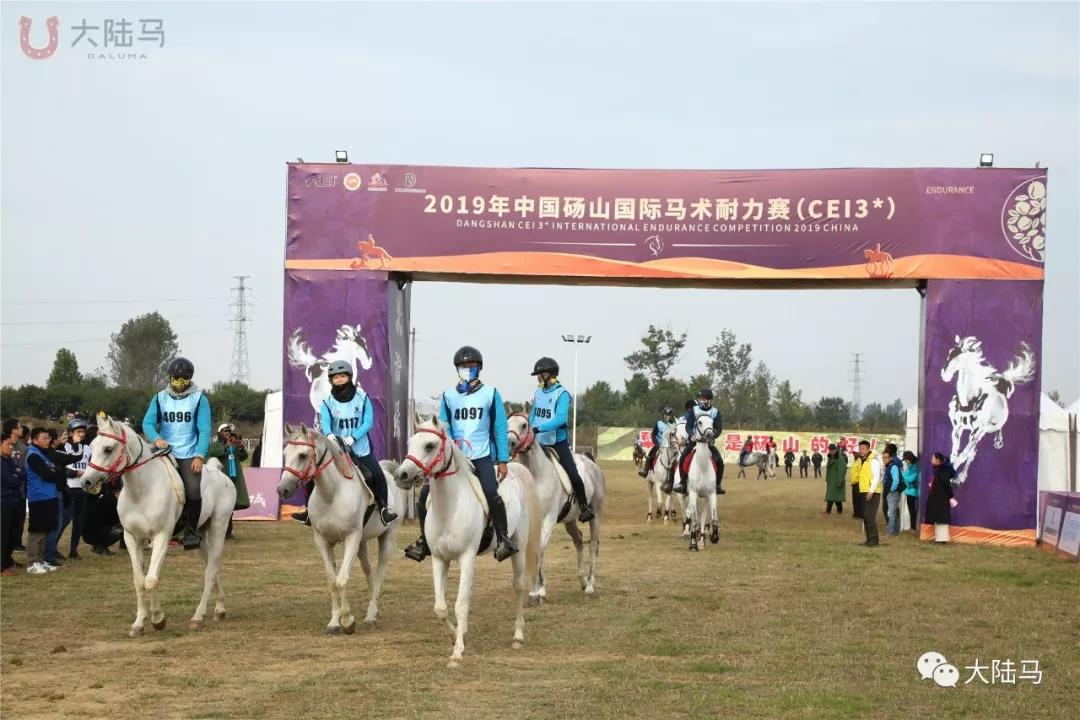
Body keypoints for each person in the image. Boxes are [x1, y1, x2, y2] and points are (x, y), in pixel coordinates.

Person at [404, 346, 515, 562]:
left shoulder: (490, 394)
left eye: (471, 366)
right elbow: (444, 428)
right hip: (454, 459)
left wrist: (502, 459)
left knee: (491, 492)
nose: (467, 369)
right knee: (425, 496)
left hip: (481, 455)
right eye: (463, 366)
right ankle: (425, 542)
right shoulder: (448, 396)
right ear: (457, 369)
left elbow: (500, 428)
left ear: (479, 368)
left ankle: (503, 539)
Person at [142, 357, 212, 550]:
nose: (180, 383)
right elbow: (147, 423)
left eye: (184, 379)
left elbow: (204, 429)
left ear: (189, 378)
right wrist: (156, 438)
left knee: (193, 490)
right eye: (176, 379)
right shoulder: (159, 398)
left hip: (188, 452)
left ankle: (190, 531)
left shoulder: (199, 399)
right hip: (163, 450)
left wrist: (199, 455)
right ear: (170, 378)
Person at [318, 361, 397, 526]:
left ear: (349, 377)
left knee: (378, 475)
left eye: (342, 376)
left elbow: (368, 422)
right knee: (315, 473)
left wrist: (354, 437)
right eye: (335, 377)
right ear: (331, 380)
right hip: (337, 450)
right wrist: (330, 434)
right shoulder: (327, 401)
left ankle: (383, 508)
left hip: (361, 449)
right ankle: (308, 510)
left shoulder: (362, 397)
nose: (339, 380)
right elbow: (325, 423)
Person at [529, 356, 596, 519]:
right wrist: (529, 428)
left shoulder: (563, 394)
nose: (538, 377)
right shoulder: (538, 392)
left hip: (557, 442)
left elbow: (560, 419)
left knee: (573, 474)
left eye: (540, 374)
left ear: (549, 375)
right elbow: (533, 414)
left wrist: (539, 428)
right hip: (536, 441)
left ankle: (584, 507)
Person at [667, 388, 725, 494]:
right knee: (683, 458)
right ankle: (683, 484)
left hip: (708, 443)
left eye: (703, 399)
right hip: (694, 441)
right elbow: (688, 426)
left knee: (720, 462)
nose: (701, 401)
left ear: (709, 400)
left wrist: (713, 436)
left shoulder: (715, 412)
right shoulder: (694, 410)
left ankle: (717, 485)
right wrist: (692, 435)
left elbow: (719, 428)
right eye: (700, 399)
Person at [24, 428, 65, 574]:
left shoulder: (43, 454)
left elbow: (56, 471)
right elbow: (48, 474)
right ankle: (32, 562)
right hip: (39, 497)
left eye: (48, 438)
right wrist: (55, 471)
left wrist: (55, 471)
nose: (48, 440)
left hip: (50, 495)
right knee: (37, 530)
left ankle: (41, 561)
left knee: (46, 529)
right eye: (44, 438)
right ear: (35, 440)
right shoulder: (33, 455)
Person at [207, 423, 251, 540]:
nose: (227, 433)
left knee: (230, 506)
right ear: (219, 433)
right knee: (221, 505)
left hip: (234, 477)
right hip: (222, 478)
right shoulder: (216, 445)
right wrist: (226, 446)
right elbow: (212, 452)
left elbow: (244, 457)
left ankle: (228, 531)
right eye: (225, 431)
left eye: (229, 431)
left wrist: (240, 446)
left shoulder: (234, 444)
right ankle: (219, 531)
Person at [44, 428, 81, 566]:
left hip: (59, 491)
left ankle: (50, 551)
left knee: (60, 523)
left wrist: (60, 444)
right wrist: (76, 443)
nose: (63, 438)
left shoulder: (51, 452)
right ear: (53, 440)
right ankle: (48, 554)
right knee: (56, 525)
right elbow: (75, 456)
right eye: (59, 437)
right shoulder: (53, 454)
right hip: (57, 492)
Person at [59, 418, 91, 560]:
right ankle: (51, 548)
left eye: (83, 431)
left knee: (79, 521)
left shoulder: (88, 448)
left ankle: (73, 550)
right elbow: (60, 468)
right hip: (69, 487)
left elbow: (90, 466)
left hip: (82, 488)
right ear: (71, 433)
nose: (82, 434)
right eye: (78, 431)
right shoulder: (65, 447)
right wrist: (75, 473)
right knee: (64, 520)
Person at [1, 435, 26, 574]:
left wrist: (16, 477)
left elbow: (22, 474)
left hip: (14, 500)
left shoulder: (10, 460)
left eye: (12, 445)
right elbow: (10, 481)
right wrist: (15, 478)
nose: (11, 447)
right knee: (3, 534)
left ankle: (7, 560)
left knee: (14, 533)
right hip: (3, 502)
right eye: (8, 444)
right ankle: (1, 566)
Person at [3, 419, 27, 554]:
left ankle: (10, 555)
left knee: (17, 524)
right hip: (4, 493)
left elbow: (24, 471)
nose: (21, 429)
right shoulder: (3, 443)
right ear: (13, 430)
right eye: (19, 427)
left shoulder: (23, 448)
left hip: (20, 492)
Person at [854, 440, 883, 547]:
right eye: (860, 448)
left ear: (868, 449)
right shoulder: (864, 461)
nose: (861, 451)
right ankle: (869, 539)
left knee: (870, 516)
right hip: (864, 491)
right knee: (866, 516)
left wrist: (871, 491)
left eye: (863, 449)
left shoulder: (873, 461)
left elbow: (876, 477)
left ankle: (874, 540)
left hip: (872, 492)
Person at [638, 405, 676, 478]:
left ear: (672, 416)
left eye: (668, 414)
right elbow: (653, 435)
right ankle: (645, 470)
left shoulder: (675, 425)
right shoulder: (659, 423)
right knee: (650, 454)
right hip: (660, 445)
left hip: (671, 446)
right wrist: (656, 444)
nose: (666, 416)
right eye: (665, 414)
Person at [926, 452, 957, 543]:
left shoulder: (943, 471)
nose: (931, 460)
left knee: (941, 520)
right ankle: (940, 539)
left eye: (933, 458)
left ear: (938, 460)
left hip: (941, 499)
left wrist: (950, 496)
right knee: (938, 519)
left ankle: (941, 539)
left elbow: (947, 485)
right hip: (938, 498)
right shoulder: (938, 470)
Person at [881, 444, 904, 536]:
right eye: (883, 457)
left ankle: (891, 531)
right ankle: (894, 530)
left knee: (891, 512)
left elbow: (896, 480)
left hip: (892, 492)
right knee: (893, 511)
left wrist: (891, 490)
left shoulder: (894, 465)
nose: (884, 459)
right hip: (891, 491)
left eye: (886, 457)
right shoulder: (890, 465)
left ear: (891, 457)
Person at [822, 443, 846, 515]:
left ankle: (837, 511)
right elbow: (828, 469)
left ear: (836, 450)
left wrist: (840, 481)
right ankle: (831, 510)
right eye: (830, 450)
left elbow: (842, 471)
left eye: (833, 450)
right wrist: (827, 478)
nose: (831, 451)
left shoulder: (840, 459)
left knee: (836, 497)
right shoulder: (830, 458)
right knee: (832, 495)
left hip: (837, 480)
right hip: (831, 480)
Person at [901, 451, 920, 531]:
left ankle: (913, 527)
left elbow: (909, 479)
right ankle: (912, 527)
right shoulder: (911, 467)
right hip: (909, 492)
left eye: (906, 460)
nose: (905, 462)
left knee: (913, 511)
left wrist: (902, 473)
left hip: (913, 493)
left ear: (909, 459)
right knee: (911, 510)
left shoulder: (915, 468)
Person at [847, 442, 864, 520]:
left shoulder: (860, 460)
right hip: (854, 483)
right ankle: (856, 513)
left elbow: (861, 472)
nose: (854, 454)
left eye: (855, 453)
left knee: (859, 500)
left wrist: (858, 480)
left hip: (858, 483)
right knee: (855, 500)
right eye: (853, 452)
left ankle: (860, 514)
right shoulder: (856, 460)